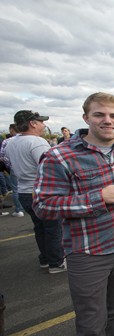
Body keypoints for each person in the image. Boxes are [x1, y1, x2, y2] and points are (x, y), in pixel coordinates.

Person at [32, 93, 114, 336]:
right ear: (86, 118)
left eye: (113, 116)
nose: (107, 121)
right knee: (90, 322)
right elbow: (43, 206)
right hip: (88, 253)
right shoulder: (59, 156)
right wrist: (97, 198)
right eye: (99, 115)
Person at [5, 110, 65, 273]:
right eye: (41, 122)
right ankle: (56, 262)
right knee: (53, 228)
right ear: (32, 123)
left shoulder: (11, 142)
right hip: (41, 191)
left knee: (40, 227)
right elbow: (50, 168)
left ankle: (45, 259)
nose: (44, 125)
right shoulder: (37, 142)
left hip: (23, 190)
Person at [0, 124, 24, 217]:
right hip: (28, 167)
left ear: (11, 130)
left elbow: (2, 156)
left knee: (15, 189)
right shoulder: (28, 139)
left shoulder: (7, 141)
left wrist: (10, 164)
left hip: (14, 168)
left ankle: (19, 210)